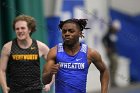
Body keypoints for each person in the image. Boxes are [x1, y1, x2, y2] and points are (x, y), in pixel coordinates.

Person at [42, 19, 109, 93]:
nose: (67, 33)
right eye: (64, 31)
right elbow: (44, 81)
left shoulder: (90, 53)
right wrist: (50, 73)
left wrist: (104, 91)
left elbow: (104, 70)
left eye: (71, 31)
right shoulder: (54, 52)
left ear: (80, 33)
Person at [0, 15, 54, 93]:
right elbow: (1, 70)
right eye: (17, 29)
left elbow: (53, 67)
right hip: (15, 90)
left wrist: (49, 84)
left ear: (30, 29)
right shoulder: (7, 47)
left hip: (35, 90)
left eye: (22, 28)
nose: (20, 31)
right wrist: (4, 87)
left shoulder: (41, 47)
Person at [102, 20, 121, 87]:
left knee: (114, 66)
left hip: (114, 51)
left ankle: (113, 81)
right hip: (111, 53)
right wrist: (106, 48)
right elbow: (103, 39)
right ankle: (112, 82)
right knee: (114, 65)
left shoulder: (114, 34)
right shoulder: (109, 33)